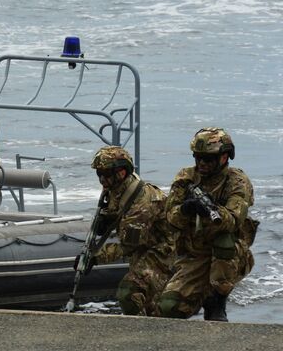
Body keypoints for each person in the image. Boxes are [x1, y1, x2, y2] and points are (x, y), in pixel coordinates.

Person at [157, 127, 257, 321]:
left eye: (208, 159)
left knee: (224, 241)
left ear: (224, 157)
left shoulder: (237, 182)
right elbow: (170, 219)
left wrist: (211, 210)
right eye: (198, 158)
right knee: (169, 307)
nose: (202, 163)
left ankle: (218, 300)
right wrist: (186, 210)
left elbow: (233, 220)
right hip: (194, 254)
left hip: (229, 256)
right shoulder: (186, 178)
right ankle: (199, 297)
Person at [75, 146, 175, 316]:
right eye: (99, 174)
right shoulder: (115, 188)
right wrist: (106, 219)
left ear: (121, 172)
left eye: (106, 174)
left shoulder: (142, 203)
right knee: (148, 303)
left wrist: (95, 257)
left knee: (128, 292)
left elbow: (128, 246)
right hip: (142, 249)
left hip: (160, 252)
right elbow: (116, 210)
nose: (102, 179)